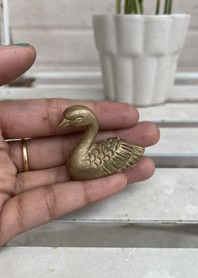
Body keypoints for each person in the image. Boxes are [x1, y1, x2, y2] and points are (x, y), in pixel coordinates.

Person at [0, 44, 160, 247]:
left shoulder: (94, 144)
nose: (65, 125)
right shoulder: (82, 153)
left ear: (86, 123)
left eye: (71, 121)